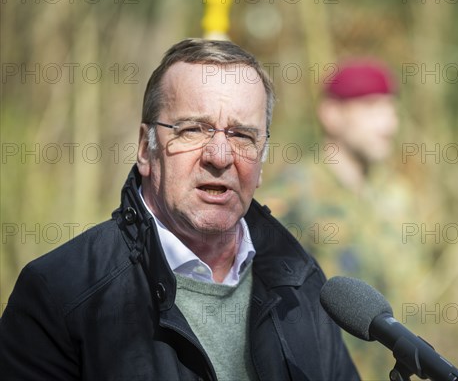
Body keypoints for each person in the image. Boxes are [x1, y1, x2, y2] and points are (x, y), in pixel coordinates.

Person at [0, 39, 359, 381]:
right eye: (192, 130)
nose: (220, 157)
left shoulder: (300, 282)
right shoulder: (62, 293)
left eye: (242, 136)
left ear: (263, 161)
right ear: (145, 148)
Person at [257, 59, 414, 379]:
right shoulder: (292, 196)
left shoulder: (396, 196)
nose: (388, 124)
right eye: (371, 108)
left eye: (391, 109)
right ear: (331, 113)